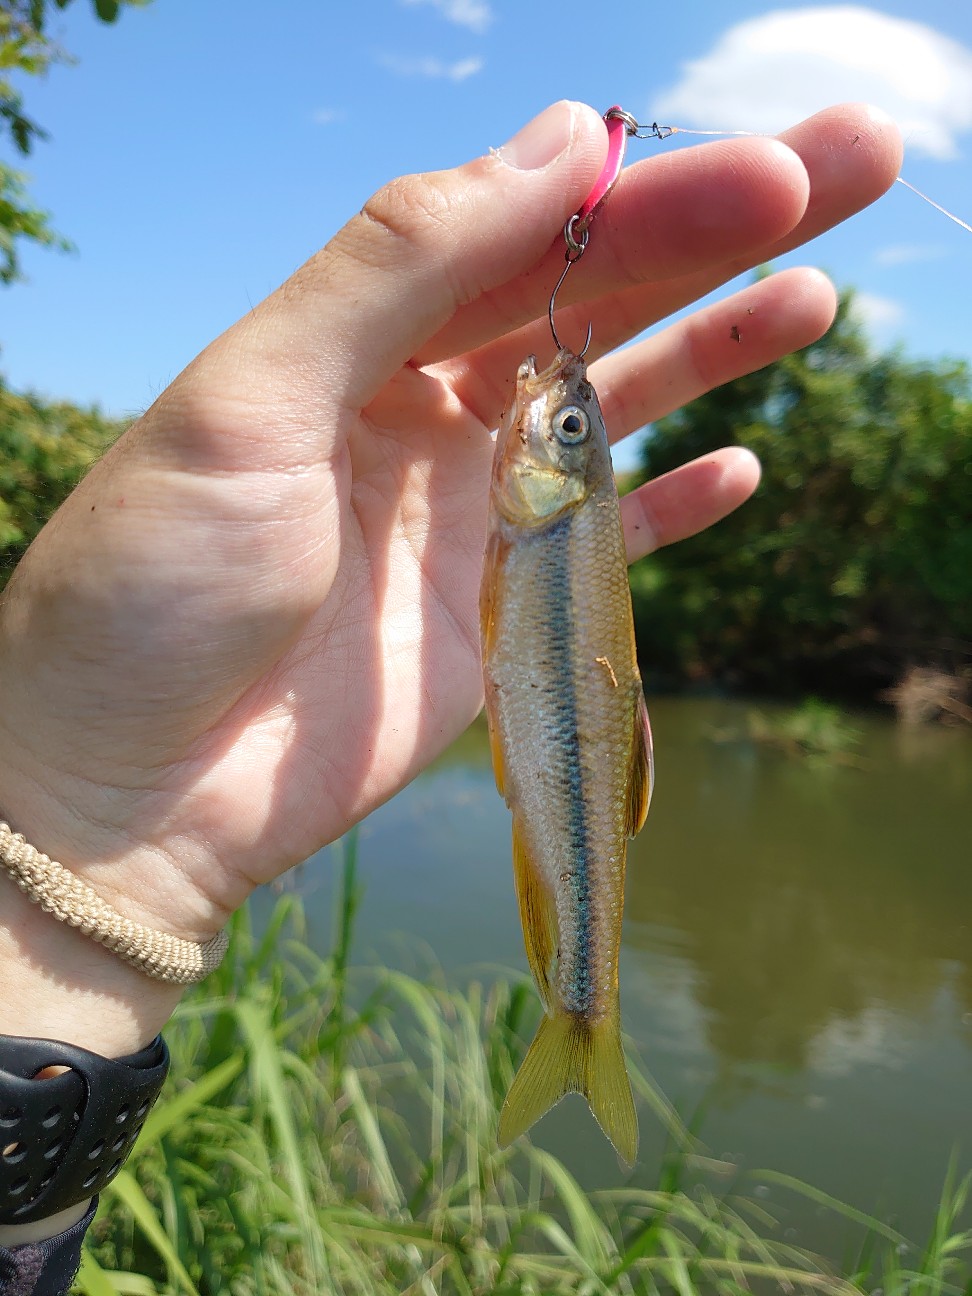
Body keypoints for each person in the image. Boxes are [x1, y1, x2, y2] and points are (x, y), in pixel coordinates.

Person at [0, 99, 901, 1293]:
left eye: (565, 428)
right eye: (563, 427)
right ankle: (580, 1017)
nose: (550, 416)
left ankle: (582, 1015)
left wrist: (88, 849)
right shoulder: (539, 521)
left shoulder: (547, 522)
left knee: (562, 834)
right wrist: (82, 835)